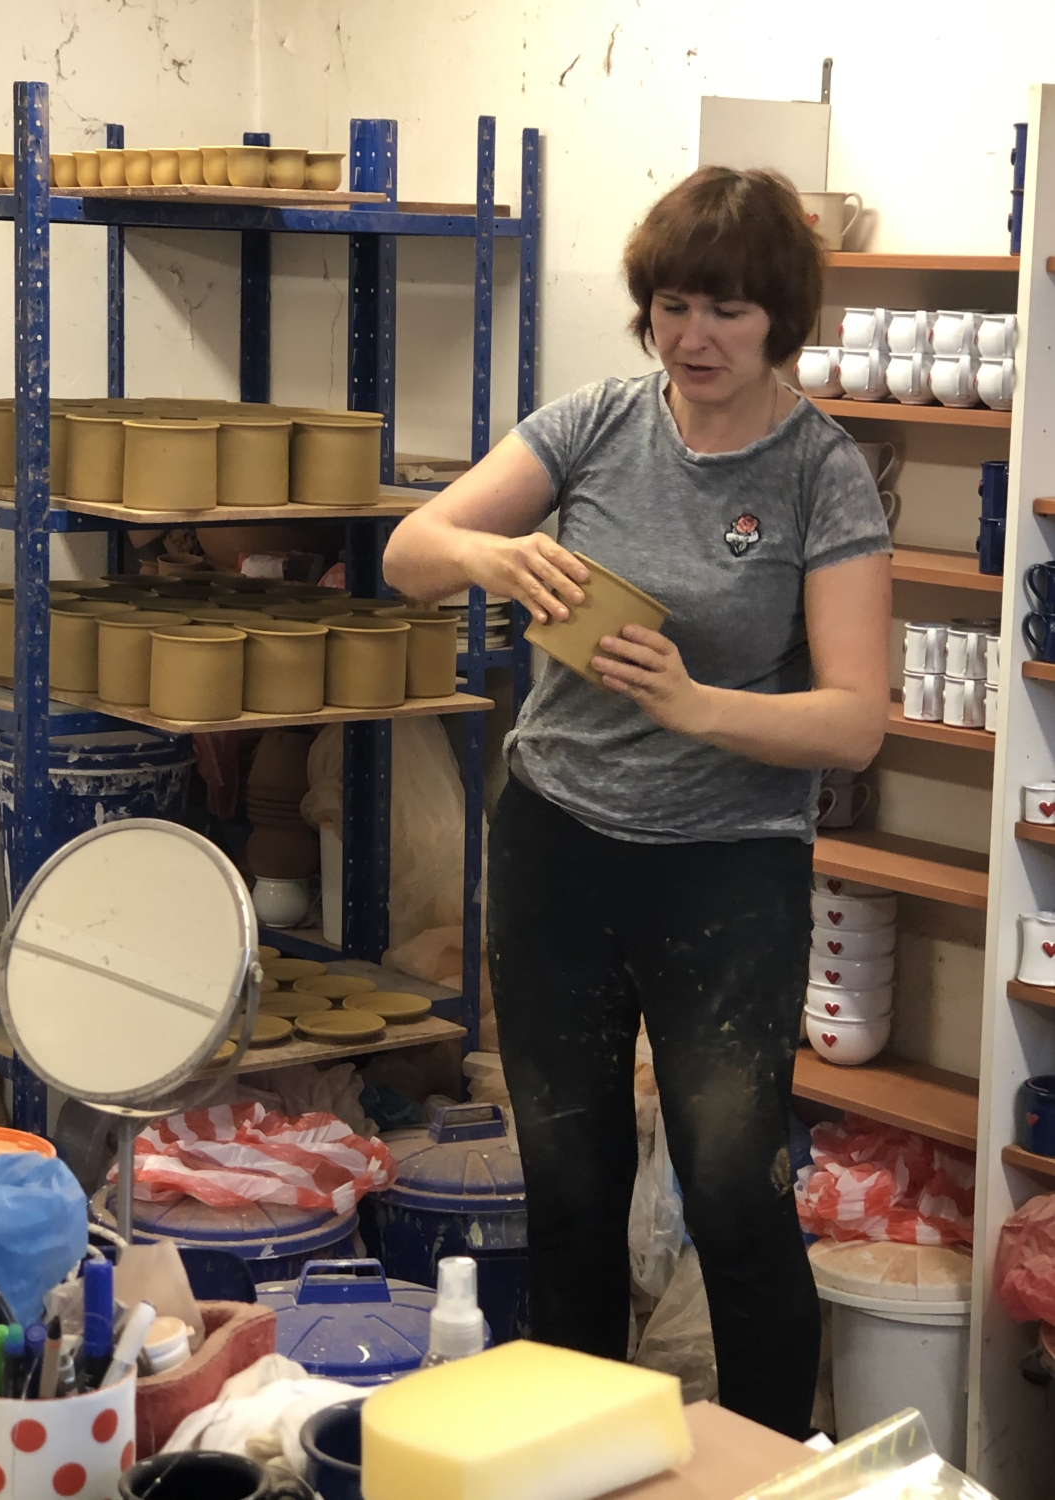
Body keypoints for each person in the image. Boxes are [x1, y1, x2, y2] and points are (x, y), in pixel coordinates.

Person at [382, 166, 891, 1438]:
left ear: (780, 319)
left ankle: (766, 1463)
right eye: (672, 306)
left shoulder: (820, 472)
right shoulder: (596, 423)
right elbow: (407, 556)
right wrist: (494, 553)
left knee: (731, 1190)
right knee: (570, 1181)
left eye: (727, 310)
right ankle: (585, 1455)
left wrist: (695, 703)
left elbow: (855, 720)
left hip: (727, 867)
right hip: (559, 843)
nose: (693, 337)